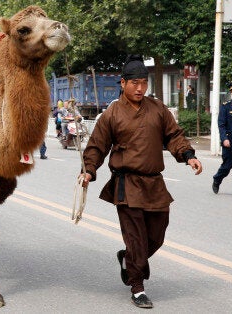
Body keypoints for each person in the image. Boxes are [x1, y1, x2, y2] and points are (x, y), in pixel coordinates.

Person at [79, 55, 203, 309]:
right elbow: (97, 145)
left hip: (154, 183)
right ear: (123, 83)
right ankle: (137, 287)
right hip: (127, 184)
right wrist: (89, 170)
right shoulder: (112, 114)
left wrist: (188, 155)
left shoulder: (157, 109)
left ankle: (127, 259)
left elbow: (174, 135)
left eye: (143, 83)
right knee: (136, 239)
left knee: (156, 236)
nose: (140, 88)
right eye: (134, 83)